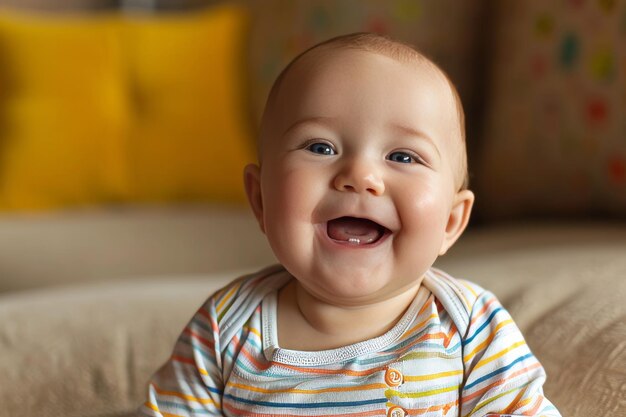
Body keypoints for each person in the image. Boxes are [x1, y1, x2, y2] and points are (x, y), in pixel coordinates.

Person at [138, 33, 562, 417]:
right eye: (320, 147)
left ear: (451, 222)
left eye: (402, 157)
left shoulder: (469, 326)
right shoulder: (225, 328)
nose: (360, 174)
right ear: (261, 199)